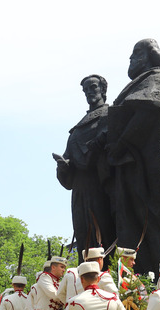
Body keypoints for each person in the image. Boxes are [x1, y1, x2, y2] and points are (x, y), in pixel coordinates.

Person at [106, 38, 160, 278]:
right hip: (133, 164)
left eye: (134, 55)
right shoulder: (138, 84)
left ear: (148, 56)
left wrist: (120, 142)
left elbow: (148, 113)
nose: (130, 61)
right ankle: (139, 277)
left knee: (158, 220)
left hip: (155, 163)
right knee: (133, 220)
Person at [55, 73, 114, 262]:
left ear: (103, 89)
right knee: (82, 233)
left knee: (103, 231)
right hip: (80, 189)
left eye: (93, 87)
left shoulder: (109, 114)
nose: (89, 92)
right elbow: (69, 157)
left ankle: (105, 277)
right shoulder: (78, 128)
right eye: (86, 90)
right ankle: (85, 276)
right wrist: (64, 167)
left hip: (100, 185)